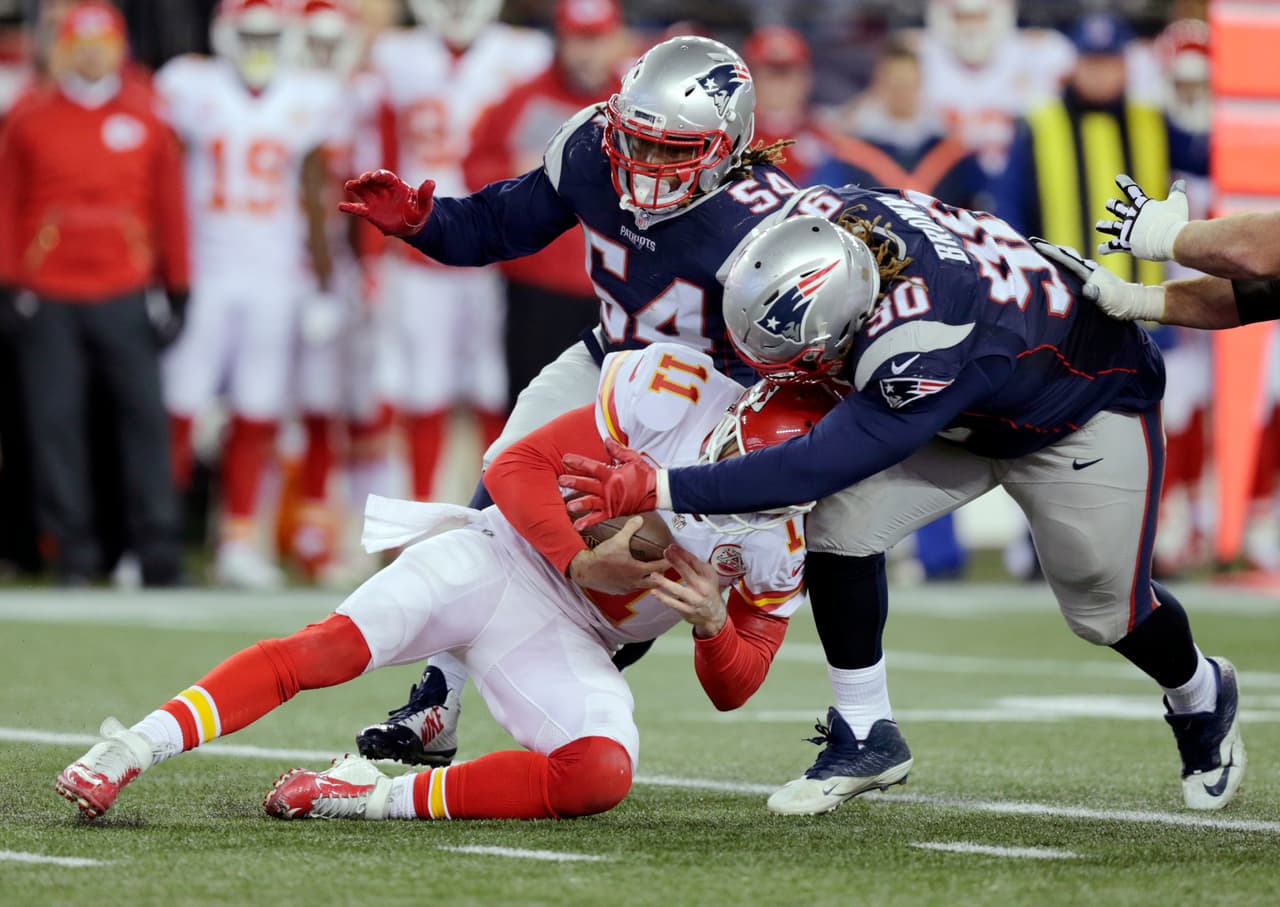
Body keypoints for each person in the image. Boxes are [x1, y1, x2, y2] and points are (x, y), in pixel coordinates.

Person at [559, 186, 1246, 814]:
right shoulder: (830, 217)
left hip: (1079, 406)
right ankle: (865, 730)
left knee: (1105, 609)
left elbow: (807, 468)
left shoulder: (916, 347)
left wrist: (664, 486)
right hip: (978, 388)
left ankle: (1200, 691)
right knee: (840, 523)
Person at [54, 341, 833, 823]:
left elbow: (735, 684)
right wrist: (576, 557)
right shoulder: (673, 397)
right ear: (731, 425)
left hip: (572, 636)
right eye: (740, 465)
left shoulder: (780, 533)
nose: (741, 491)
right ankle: (131, 748)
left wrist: (708, 625)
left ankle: (369, 797)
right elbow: (512, 464)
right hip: (499, 558)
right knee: (326, 650)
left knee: (599, 769)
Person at [341, 35, 806, 768]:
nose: (647, 168)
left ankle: (580, 703)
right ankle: (437, 700)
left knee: (641, 572)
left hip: (715, 402)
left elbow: (795, 350)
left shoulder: (768, 221)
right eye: (638, 143)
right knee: (500, 488)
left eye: (671, 150)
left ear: (728, 146)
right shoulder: (592, 148)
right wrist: (424, 226)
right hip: (609, 361)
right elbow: (502, 223)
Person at [0, 0, 188, 586]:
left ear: (117, 46)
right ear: (63, 48)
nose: (89, 53)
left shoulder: (147, 115)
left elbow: (169, 206)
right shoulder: (29, 118)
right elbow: (6, 205)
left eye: (100, 42)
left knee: (143, 425)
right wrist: (8, 282)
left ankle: (157, 548)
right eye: (79, 42)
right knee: (55, 425)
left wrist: (179, 287)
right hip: (48, 294)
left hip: (124, 289)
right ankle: (72, 553)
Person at [157, 0, 341, 589]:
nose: (259, 45)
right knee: (178, 407)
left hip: (274, 279)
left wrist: (320, 282)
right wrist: (163, 270)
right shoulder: (189, 86)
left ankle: (237, 538)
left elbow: (314, 192)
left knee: (258, 410)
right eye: (249, 33)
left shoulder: (307, 96)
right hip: (206, 275)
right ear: (226, 34)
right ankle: (157, 533)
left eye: (269, 34)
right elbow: (164, 177)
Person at [368, 0, 551, 505]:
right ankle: (416, 524)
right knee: (424, 390)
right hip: (419, 247)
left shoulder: (526, 53)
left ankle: (494, 520)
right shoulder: (396, 55)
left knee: (496, 390)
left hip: (499, 244)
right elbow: (378, 156)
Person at [463, 0, 631, 416]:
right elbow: (475, 166)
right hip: (537, 286)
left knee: (608, 417)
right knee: (528, 411)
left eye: (597, 39)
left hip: (615, 290)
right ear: (560, 39)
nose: (588, 52)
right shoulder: (525, 99)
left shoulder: (633, 102)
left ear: (616, 40)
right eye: (579, 39)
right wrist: (517, 179)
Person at [740, 25, 829, 186]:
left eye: (787, 73)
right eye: (771, 74)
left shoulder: (826, 137)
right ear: (750, 79)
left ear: (805, 78)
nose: (780, 85)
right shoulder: (732, 139)